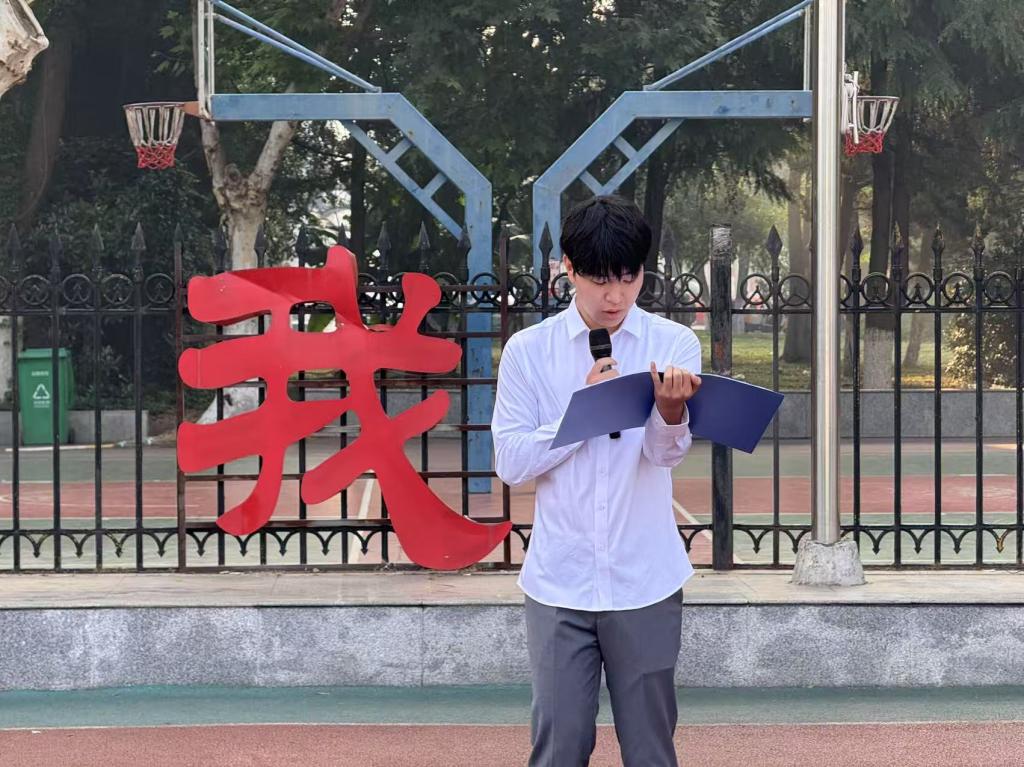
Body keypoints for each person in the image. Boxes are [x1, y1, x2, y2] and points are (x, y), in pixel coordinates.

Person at [491, 195, 702, 767]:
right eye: (600, 279)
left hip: (645, 578)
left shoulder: (673, 344)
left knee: (651, 748)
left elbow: (664, 456)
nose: (616, 296)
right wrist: (582, 413)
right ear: (568, 267)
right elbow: (510, 462)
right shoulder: (529, 352)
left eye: (629, 278)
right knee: (559, 746)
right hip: (560, 582)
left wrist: (671, 412)